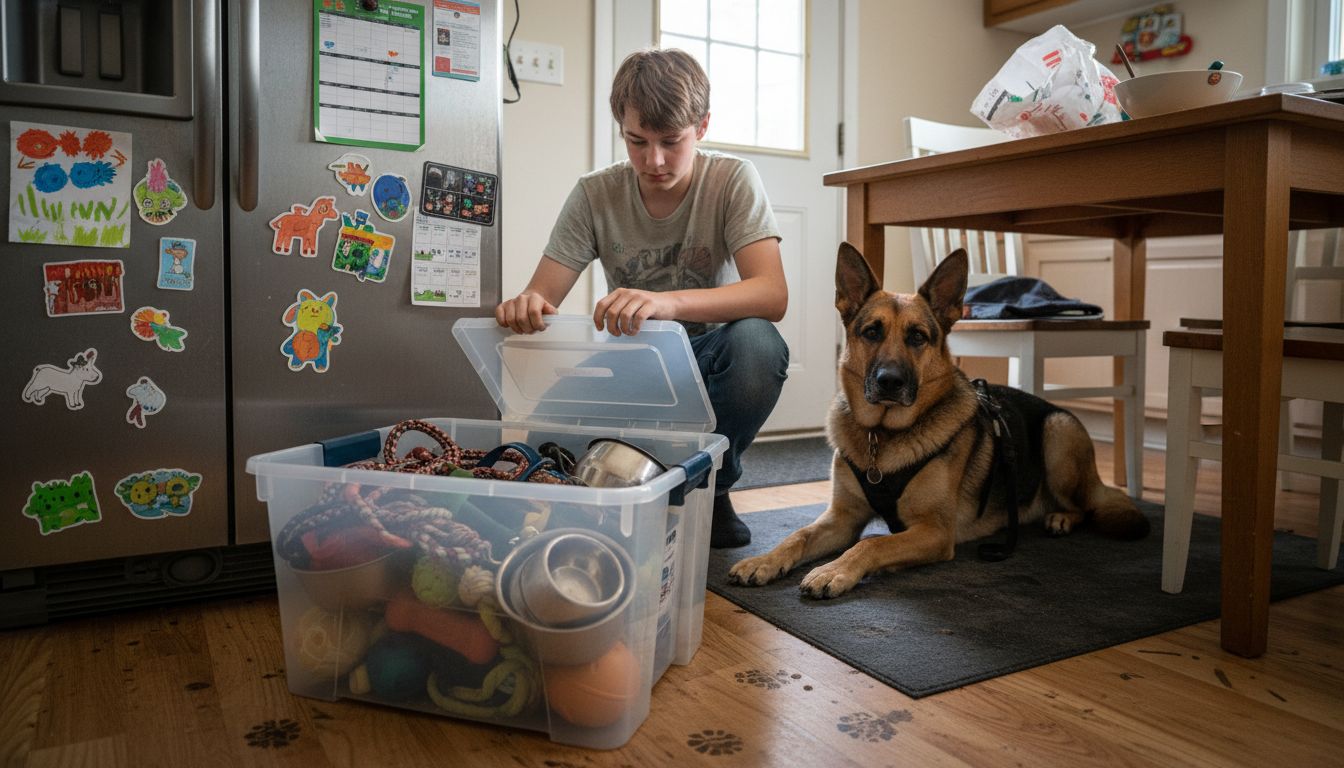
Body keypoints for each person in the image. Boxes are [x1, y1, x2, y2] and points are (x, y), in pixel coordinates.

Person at [495, 48, 788, 548]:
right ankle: (638, 483)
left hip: (708, 358)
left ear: (703, 126)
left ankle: (709, 485)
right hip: (628, 362)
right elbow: (540, 296)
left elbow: (771, 294)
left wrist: (666, 303)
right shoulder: (595, 194)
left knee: (759, 345)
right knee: (533, 446)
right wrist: (524, 306)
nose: (654, 160)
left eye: (672, 142)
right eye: (637, 141)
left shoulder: (732, 180)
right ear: (621, 130)